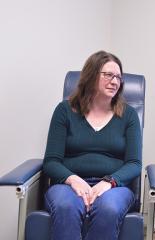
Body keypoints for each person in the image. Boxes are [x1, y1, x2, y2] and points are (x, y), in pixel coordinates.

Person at [43, 50, 142, 240]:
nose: (115, 81)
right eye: (108, 75)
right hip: (67, 186)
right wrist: (73, 179)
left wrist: (109, 181)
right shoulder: (64, 111)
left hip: (114, 188)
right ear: (91, 75)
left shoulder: (129, 115)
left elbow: (134, 164)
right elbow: (51, 161)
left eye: (118, 77)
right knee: (66, 207)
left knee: (109, 208)